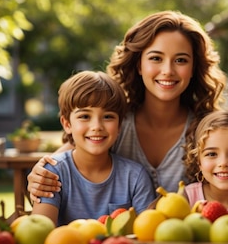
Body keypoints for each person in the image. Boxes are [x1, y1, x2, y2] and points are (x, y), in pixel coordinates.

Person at [27, 11, 227, 201]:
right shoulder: (111, 122)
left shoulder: (208, 131)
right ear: (139, 64)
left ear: (193, 68)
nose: (167, 70)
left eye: (181, 60)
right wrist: (39, 179)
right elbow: (52, 172)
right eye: (156, 58)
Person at [31, 71, 156, 225]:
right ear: (67, 124)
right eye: (85, 116)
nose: (97, 127)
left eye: (108, 116)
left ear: (119, 126)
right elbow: (41, 231)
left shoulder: (135, 177)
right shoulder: (54, 173)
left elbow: (146, 232)